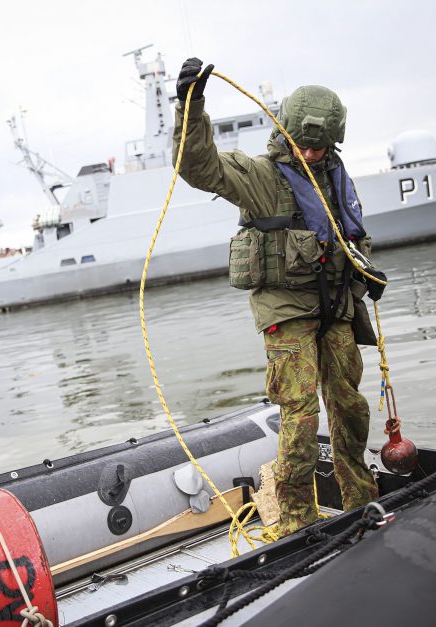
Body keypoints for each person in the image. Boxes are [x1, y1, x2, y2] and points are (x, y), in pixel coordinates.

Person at [172, 58, 386, 537]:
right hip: (287, 312)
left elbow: (350, 238)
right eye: (303, 145)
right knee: (301, 413)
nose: (310, 154)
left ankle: (359, 500)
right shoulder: (260, 176)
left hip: (336, 307)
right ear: (287, 133)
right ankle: (294, 519)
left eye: (320, 146)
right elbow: (199, 166)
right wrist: (191, 106)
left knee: (349, 406)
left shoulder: (334, 176)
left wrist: (365, 271)